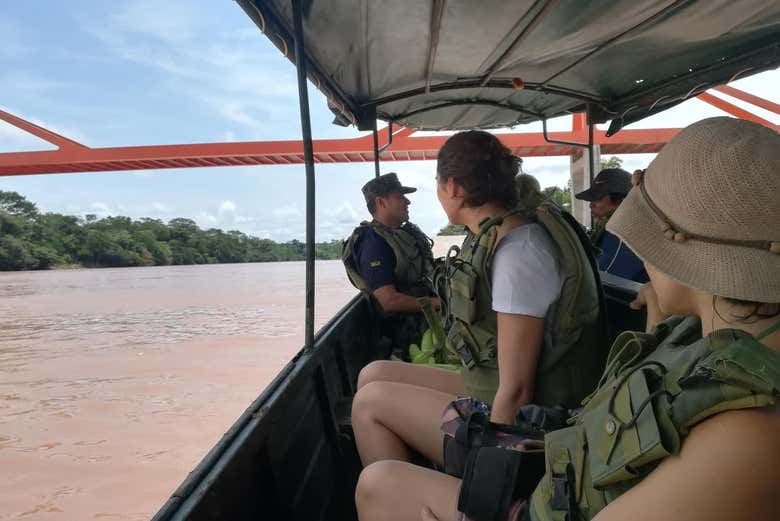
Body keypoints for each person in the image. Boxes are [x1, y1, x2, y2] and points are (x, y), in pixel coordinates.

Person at [354, 117, 780, 521]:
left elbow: (518, 389)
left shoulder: (750, 435)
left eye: (654, 237)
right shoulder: (701, 334)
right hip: (573, 457)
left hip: (559, 483)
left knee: (377, 483)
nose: (643, 255)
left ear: (695, 256)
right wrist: (659, 309)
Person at [351, 130, 575, 469]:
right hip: (492, 380)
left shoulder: (517, 253)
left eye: (438, 184)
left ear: (453, 188)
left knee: (368, 404)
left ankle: (406, 492)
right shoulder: (503, 237)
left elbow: (516, 393)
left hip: (528, 416)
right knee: (372, 373)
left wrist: (488, 479)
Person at [343, 172, 437, 355]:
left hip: (425, 321)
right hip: (404, 334)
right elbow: (389, 301)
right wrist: (440, 303)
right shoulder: (373, 243)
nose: (407, 202)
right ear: (381, 202)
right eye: (399, 197)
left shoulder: (404, 234)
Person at [575, 168, 649, 283]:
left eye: (598, 198)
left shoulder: (623, 233)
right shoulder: (612, 228)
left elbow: (601, 278)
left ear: (621, 201)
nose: (591, 205)